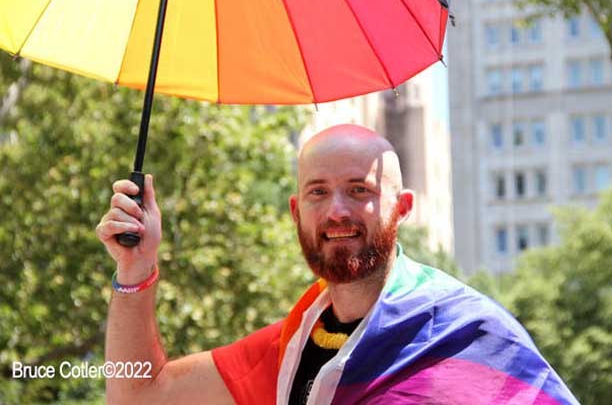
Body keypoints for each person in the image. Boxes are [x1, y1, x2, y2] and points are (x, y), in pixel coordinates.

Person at [97, 124, 578, 404]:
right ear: (296, 211)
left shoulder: (469, 336)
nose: (337, 212)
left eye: (359, 189)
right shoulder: (289, 352)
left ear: (402, 208)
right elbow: (142, 395)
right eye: (318, 192)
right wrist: (136, 268)